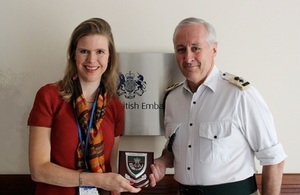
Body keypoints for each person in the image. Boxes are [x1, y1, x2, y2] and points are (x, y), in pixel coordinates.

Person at [149, 17, 287, 195]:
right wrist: (162, 162)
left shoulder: (239, 95)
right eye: (181, 49)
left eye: (196, 48)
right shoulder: (172, 99)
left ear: (214, 49)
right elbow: (175, 148)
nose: (188, 57)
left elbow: (274, 159)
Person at [27, 18, 141, 195]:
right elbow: (38, 170)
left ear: (110, 56)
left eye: (100, 51)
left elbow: (111, 167)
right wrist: (94, 179)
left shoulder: (115, 106)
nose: (92, 59)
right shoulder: (48, 96)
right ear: (74, 54)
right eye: (84, 51)